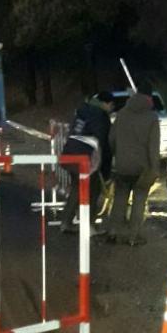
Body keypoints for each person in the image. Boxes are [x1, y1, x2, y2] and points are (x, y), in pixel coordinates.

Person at [108, 80, 160, 246]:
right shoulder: (152, 117)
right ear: (149, 98)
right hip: (142, 168)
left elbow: (111, 139)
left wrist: (118, 154)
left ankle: (114, 232)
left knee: (120, 199)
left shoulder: (122, 113)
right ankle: (133, 236)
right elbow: (153, 146)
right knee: (139, 200)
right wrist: (154, 168)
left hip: (122, 166)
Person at [60, 91, 115, 233]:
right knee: (93, 189)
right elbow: (103, 144)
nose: (112, 109)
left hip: (69, 153)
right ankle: (88, 225)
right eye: (111, 105)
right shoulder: (101, 116)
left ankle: (66, 222)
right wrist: (106, 170)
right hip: (86, 158)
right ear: (106, 103)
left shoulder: (82, 110)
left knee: (77, 188)